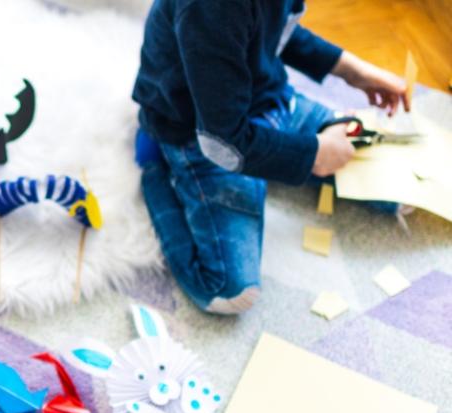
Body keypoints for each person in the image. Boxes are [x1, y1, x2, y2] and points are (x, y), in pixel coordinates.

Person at [132, 0, 409, 314]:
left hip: (265, 104)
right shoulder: (209, 9)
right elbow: (223, 145)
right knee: (228, 292)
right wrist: (315, 153)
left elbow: (278, 31)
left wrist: (351, 70)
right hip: (200, 135)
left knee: (393, 185)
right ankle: (156, 168)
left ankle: (275, 158)